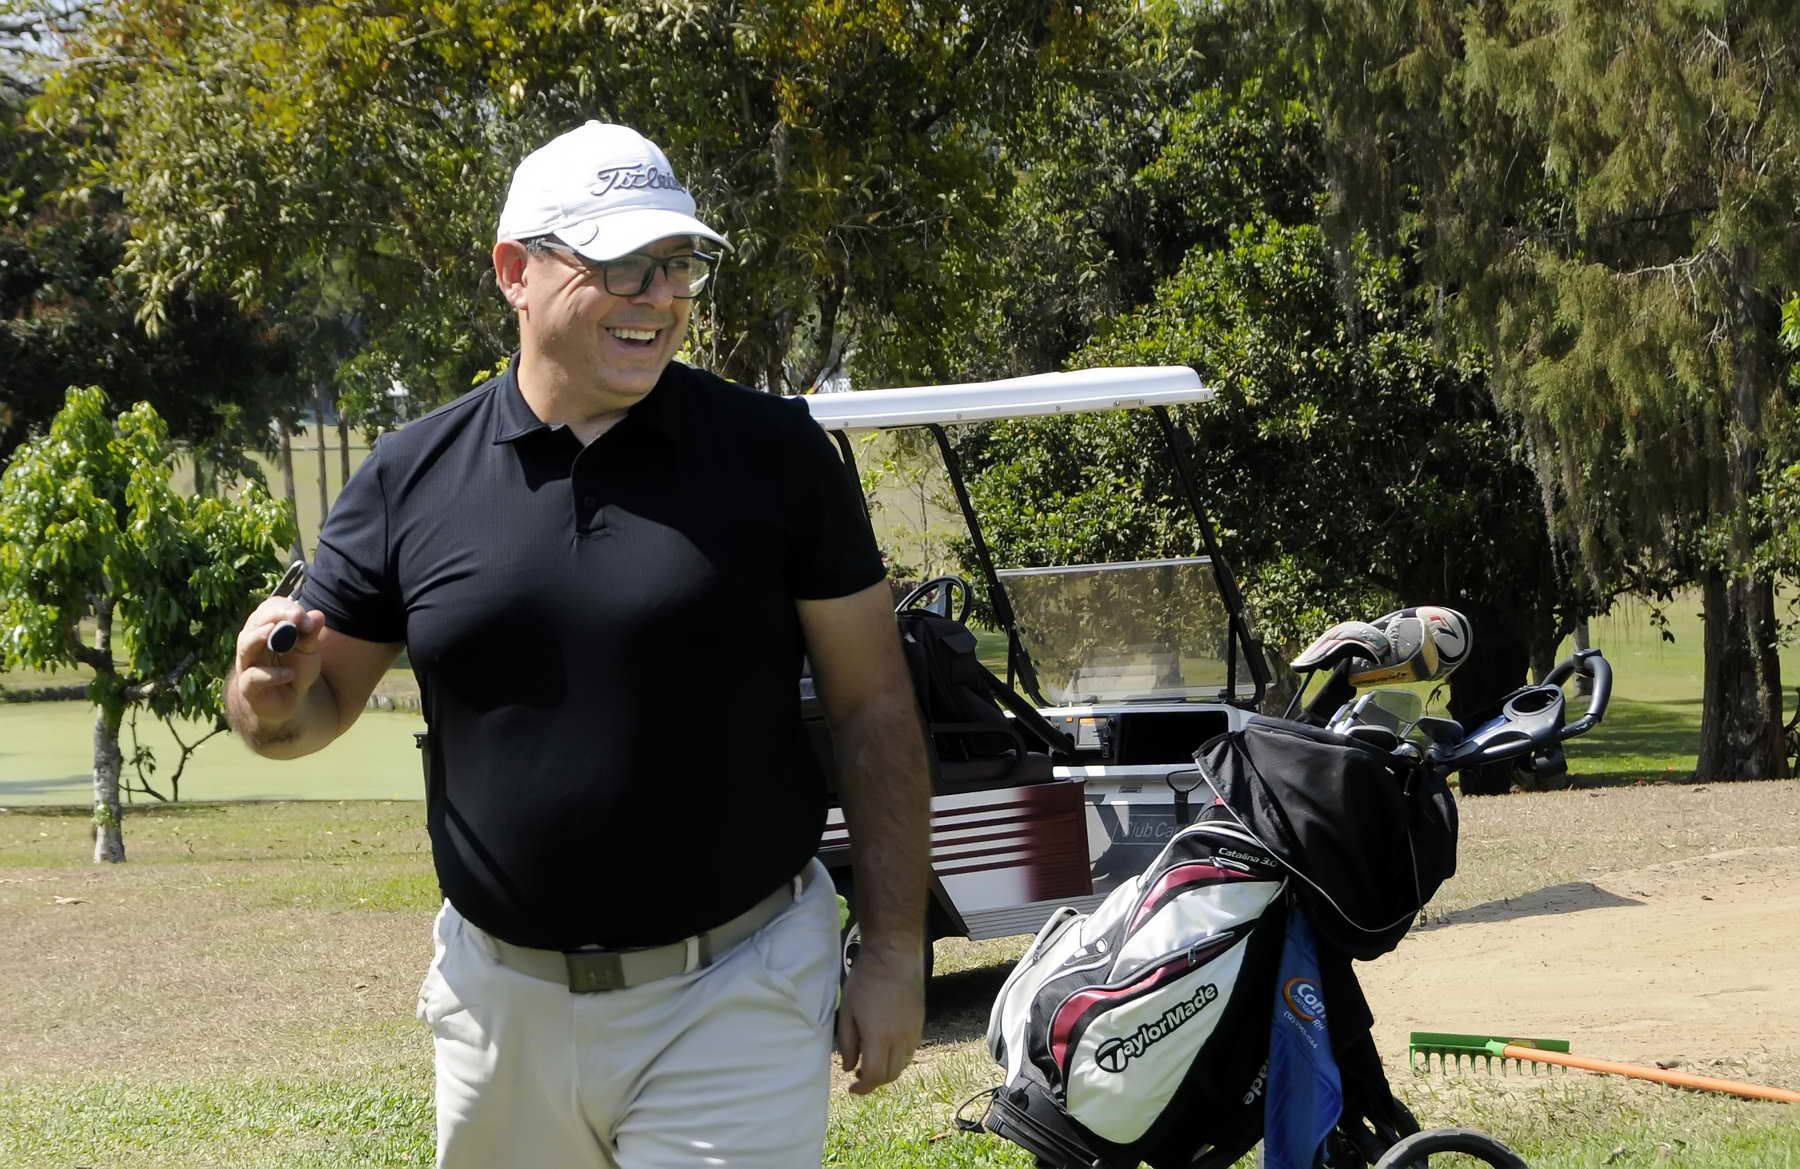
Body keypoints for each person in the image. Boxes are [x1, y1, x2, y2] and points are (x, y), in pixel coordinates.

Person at [224, 120, 932, 1169]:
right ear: (515, 271)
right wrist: (267, 700)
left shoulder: (777, 454)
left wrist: (896, 950)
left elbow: (874, 704)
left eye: (676, 263)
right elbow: (308, 711)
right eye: (619, 263)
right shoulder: (410, 475)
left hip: (735, 987)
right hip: (499, 1009)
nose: (658, 294)